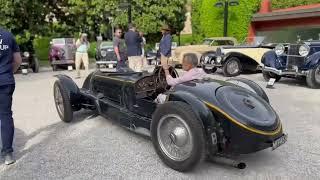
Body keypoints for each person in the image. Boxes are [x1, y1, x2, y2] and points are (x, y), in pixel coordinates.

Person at [0, 27, 22, 165]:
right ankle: (8, 154)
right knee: (5, 115)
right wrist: (9, 73)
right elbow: (18, 60)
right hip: (6, 81)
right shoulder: (8, 36)